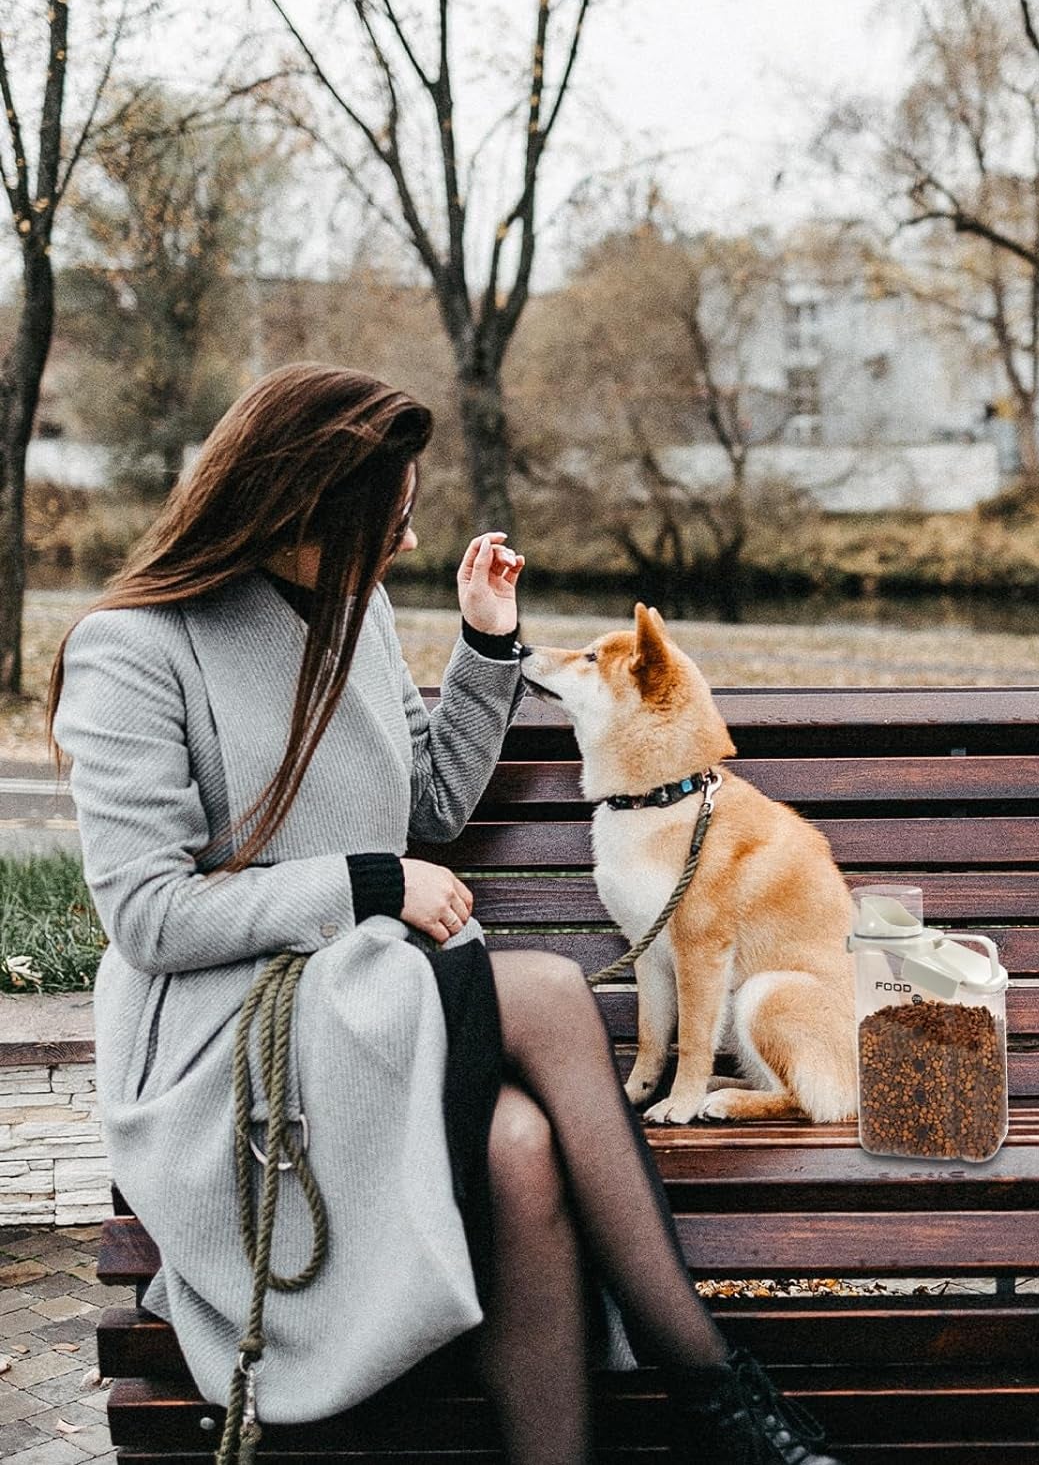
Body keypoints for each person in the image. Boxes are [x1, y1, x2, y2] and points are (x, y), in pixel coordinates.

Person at [46, 362, 845, 1465]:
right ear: (304, 507)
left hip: (372, 1005)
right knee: (554, 993)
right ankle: (710, 1384)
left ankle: (651, 1418)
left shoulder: (357, 608)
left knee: (520, 1147)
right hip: (226, 1047)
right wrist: (367, 886)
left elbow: (427, 804)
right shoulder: (132, 649)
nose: (409, 546)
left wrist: (485, 643)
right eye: (394, 519)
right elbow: (150, 918)